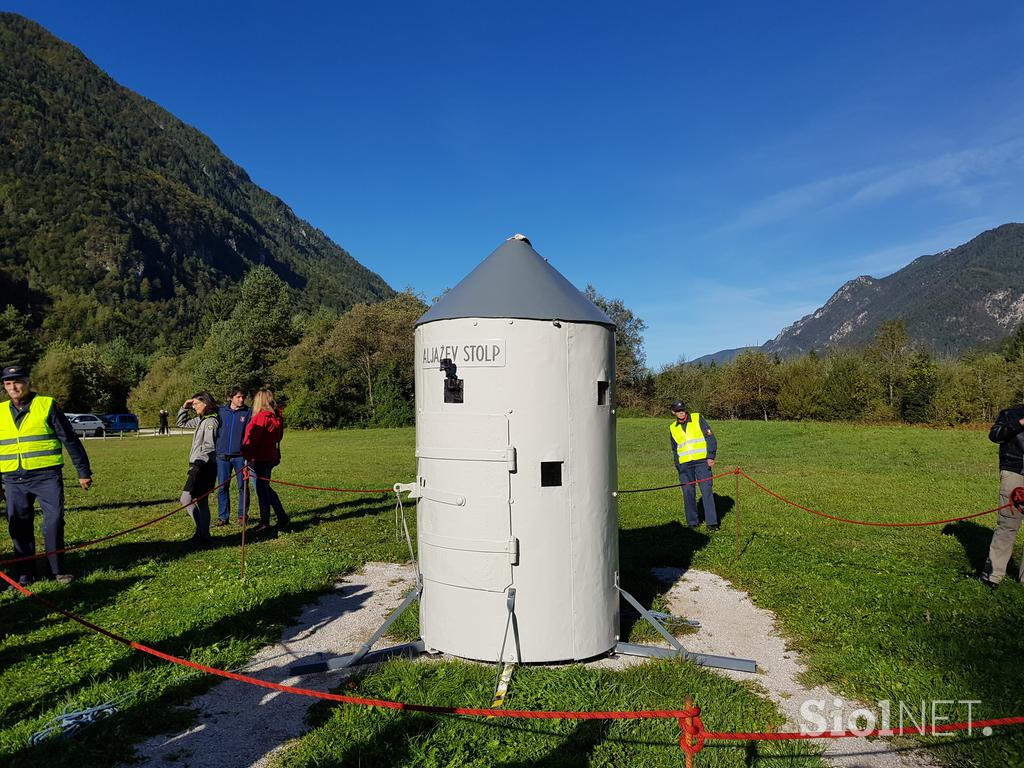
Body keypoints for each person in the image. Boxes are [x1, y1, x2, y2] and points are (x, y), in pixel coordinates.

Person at [1, 364, 92, 586]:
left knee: (53, 522)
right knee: (18, 525)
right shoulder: (1, 411)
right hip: (14, 479)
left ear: (28, 381)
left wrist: (83, 472)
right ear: (4, 386)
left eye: (18, 381)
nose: (14, 387)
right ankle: (25, 573)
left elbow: (69, 440)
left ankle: (57, 570)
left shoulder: (46, 405)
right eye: (8, 383)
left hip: (46, 477)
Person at [979, 403, 1024, 588]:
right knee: (1008, 523)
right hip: (1015, 472)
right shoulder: (1010, 413)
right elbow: (995, 435)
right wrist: (1020, 423)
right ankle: (993, 575)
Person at [241, 388, 289, 534]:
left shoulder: (261, 418)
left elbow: (251, 439)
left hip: (259, 458)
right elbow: (278, 438)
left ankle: (264, 522)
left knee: (262, 490)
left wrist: (246, 456)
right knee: (265, 488)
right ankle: (281, 516)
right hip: (269, 456)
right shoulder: (276, 417)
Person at [176, 392, 221, 546]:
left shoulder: (211, 421)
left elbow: (209, 446)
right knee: (200, 502)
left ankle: (203, 533)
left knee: (186, 499)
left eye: (196, 404)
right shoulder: (202, 419)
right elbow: (181, 423)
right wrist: (184, 407)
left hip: (204, 466)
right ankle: (203, 535)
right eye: (193, 405)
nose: (194, 407)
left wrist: (198, 464)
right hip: (199, 465)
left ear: (206, 403)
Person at [669, 400, 719, 530]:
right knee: (688, 492)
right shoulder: (672, 428)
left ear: (685, 410)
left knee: (706, 491)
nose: (681, 413)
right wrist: (678, 465)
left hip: (702, 462)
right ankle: (692, 523)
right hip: (684, 465)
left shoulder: (697, 418)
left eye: (682, 410)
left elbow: (710, 438)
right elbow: (675, 449)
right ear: (673, 412)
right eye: (678, 411)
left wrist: (710, 456)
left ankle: (712, 523)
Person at [215, 386, 252, 526]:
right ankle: (223, 517)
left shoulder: (248, 412)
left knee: (243, 486)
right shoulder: (220, 411)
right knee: (222, 487)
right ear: (231, 397)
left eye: (243, 397)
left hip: (240, 457)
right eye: (238, 397)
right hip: (222, 456)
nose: (241, 399)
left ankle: (243, 515)